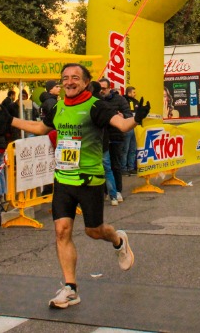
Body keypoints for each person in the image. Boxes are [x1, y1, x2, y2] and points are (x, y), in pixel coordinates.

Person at [8, 64, 148, 309]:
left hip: (89, 180)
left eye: (75, 78)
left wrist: (136, 118)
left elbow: (122, 125)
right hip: (63, 178)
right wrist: (10, 120)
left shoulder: (96, 106)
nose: (69, 82)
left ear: (85, 82)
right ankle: (70, 288)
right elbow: (41, 128)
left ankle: (118, 241)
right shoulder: (58, 106)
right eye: (65, 78)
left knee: (93, 231)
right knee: (62, 231)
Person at [98, 77, 130, 203]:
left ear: (109, 88)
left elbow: (128, 114)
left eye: (104, 88)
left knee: (115, 165)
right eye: (99, 88)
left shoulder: (119, 99)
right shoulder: (97, 100)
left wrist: (123, 116)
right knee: (103, 167)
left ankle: (117, 191)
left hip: (116, 136)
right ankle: (106, 191)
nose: (101, 91)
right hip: (101, 138)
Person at [121, 85, 140, 175]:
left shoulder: (136, 102)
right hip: (127, 128)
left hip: (135, 128)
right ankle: (123, 168)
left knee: (133, 149)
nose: (135, 94)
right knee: (125, 149)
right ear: (129, 93)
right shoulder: (123, 101)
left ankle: (131, 167)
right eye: (134, 92)